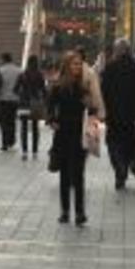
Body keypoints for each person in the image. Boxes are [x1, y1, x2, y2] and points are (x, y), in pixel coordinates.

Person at [48, 51, 98, 226]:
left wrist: (92, 113)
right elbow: (50, 107)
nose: (77, 67)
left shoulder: (83, 87)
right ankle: (65, 211)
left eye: (79, 64)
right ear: (67, 66)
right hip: (63, 134)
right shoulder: (58, 86)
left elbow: (92, 109)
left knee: (78, 175)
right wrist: (52, 121)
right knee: (64, 175)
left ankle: (80, 212)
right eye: (74, 64)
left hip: (79, 134)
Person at [101, 39, 135, 190]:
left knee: (112, 143)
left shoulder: (110, 68)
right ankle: (124, 166)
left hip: (113, 115)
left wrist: (104, 113)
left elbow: (104, 92)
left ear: (117, 51)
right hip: (131, 117)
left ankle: (119, 168)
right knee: (130, 145)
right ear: (128, 51)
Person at [15, 55, 47, 160]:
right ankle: (35, 152)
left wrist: (21, 94)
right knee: (35, 128)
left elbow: (15, 89)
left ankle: (24, 151)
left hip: (24, 103)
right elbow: (44, 90)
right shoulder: (39, 75)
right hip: (35, 104)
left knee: (23, 128)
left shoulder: (22, 75)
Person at [0, 52, 22, 151]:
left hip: (3, 99)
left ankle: (4, 142)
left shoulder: (0, 70)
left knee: (3, 122)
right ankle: (11, 140)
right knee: (12, 121)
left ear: (3, 59)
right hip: (15, 99)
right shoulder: (19, 70)